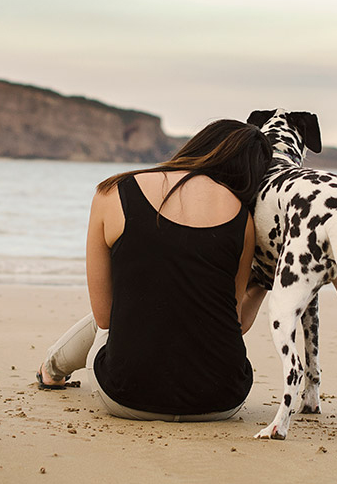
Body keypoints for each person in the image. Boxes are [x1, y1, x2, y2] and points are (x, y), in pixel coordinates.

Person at [37, 119, 272, 421]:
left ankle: (51, 371)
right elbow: (235, 321)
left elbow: (104, 317)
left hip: (126, 398)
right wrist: (264, 282)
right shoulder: (243, 219)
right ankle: (52, 369)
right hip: (220, 402)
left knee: (122, 309)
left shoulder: (114, 192)